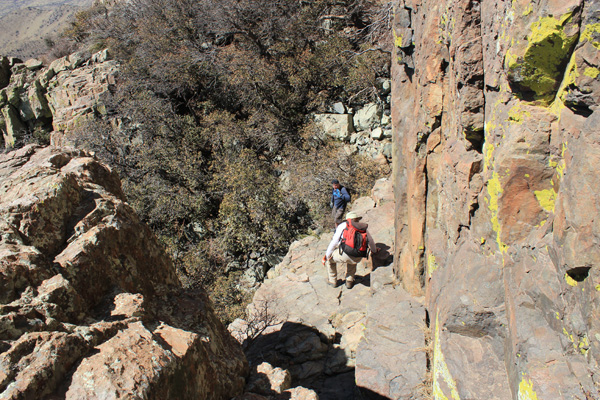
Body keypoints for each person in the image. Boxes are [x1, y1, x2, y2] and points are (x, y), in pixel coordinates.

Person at [322, 211, 379, 289]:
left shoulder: (343, 225)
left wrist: (327, 255)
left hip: (345, 254)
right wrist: (374, 250)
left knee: (330, 260)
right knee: (353, 258)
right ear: (356, 219)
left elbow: (334, 241)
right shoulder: (361, 227)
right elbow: (371, 241)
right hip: (358, 255)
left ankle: (333, 281)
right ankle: (349, 281)